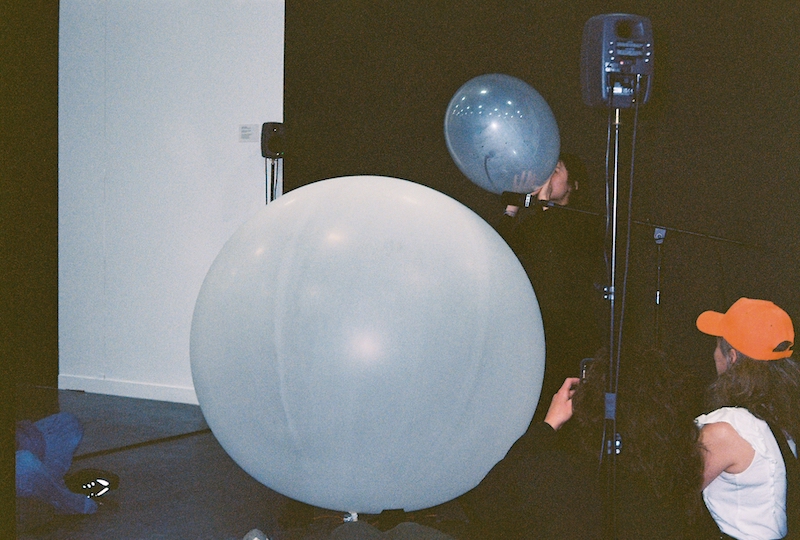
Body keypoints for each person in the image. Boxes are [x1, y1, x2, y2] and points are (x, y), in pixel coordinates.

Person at [498, 152, 606, 422]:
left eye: (555, 170)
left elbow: (558, 251)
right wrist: (512, 208)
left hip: (569, 332)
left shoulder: (586, 223)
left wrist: (543, 206)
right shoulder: (533, 224)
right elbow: (497, 252)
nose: (546, 177)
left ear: (574, 185)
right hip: (535, 329)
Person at [694, 297, 800, 540]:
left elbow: (668, 493)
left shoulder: (725, 430)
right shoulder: (783, 416)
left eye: (717, 345)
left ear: (731, 357)